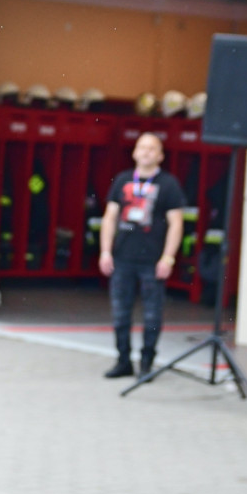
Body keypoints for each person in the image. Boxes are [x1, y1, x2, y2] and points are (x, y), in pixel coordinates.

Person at [98, 132, 185, 379]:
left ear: (160, 155)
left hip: (152, 260)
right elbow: (110, 218)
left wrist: (168, 258)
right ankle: (123, 360)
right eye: (142, 147)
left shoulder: (168, 184)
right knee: (120, 313)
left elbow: (176, 224)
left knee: (152, 314)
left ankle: (147, 362)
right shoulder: (123, 180)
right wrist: (105, 251)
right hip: (122, 258)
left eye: (152, 148)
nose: (146, 152)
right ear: (134, 152)